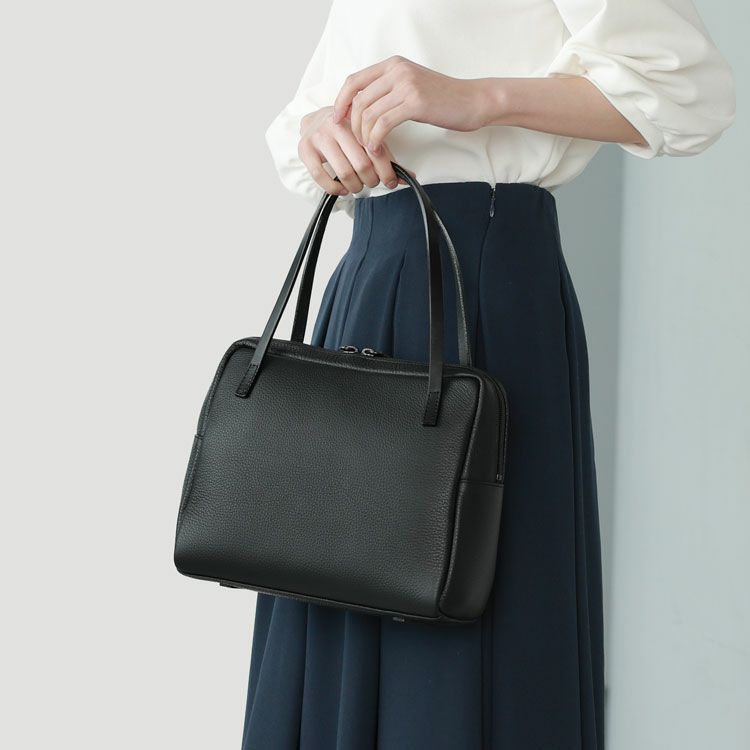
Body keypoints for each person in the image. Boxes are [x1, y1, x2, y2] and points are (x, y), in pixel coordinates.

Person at [242, 1, 735, 748]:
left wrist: (478, 99)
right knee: (331, 571)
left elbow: (687, 91)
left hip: (483, 280)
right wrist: (321, 133)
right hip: (369, 274)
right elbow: (307, 121)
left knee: (469, 611)